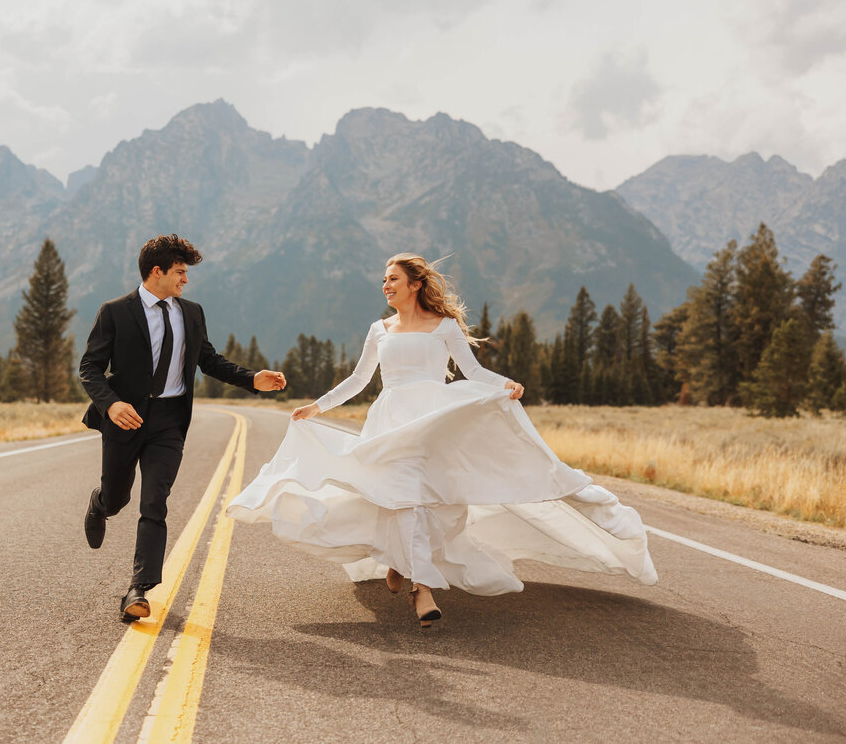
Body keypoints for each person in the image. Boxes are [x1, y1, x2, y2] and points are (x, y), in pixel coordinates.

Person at [227, 254, 656, 627]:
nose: (385, 285)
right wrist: (317, 407)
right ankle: (422, 588)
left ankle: (402, 562)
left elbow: (473, 372)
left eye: (392, 278)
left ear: (415, 285)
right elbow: (359, 380)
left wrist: (507, 384)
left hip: (432, 422)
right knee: (401, 497)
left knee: (428, 501)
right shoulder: (379, 330)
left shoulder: (444, 326)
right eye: (383, 279)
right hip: (392, 422)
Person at [79, 234, 287, 621]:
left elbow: (208, 360)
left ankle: (138, 589)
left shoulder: (191, 312)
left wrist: (251, 378)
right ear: (156, 272)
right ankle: (100, 503)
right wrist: (111, 405)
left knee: (154, 502)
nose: (185, 280)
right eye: (179, 272)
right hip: (125, 418)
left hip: (169, 422)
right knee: (118, 497)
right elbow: (89, 368)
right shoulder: (115, 311)